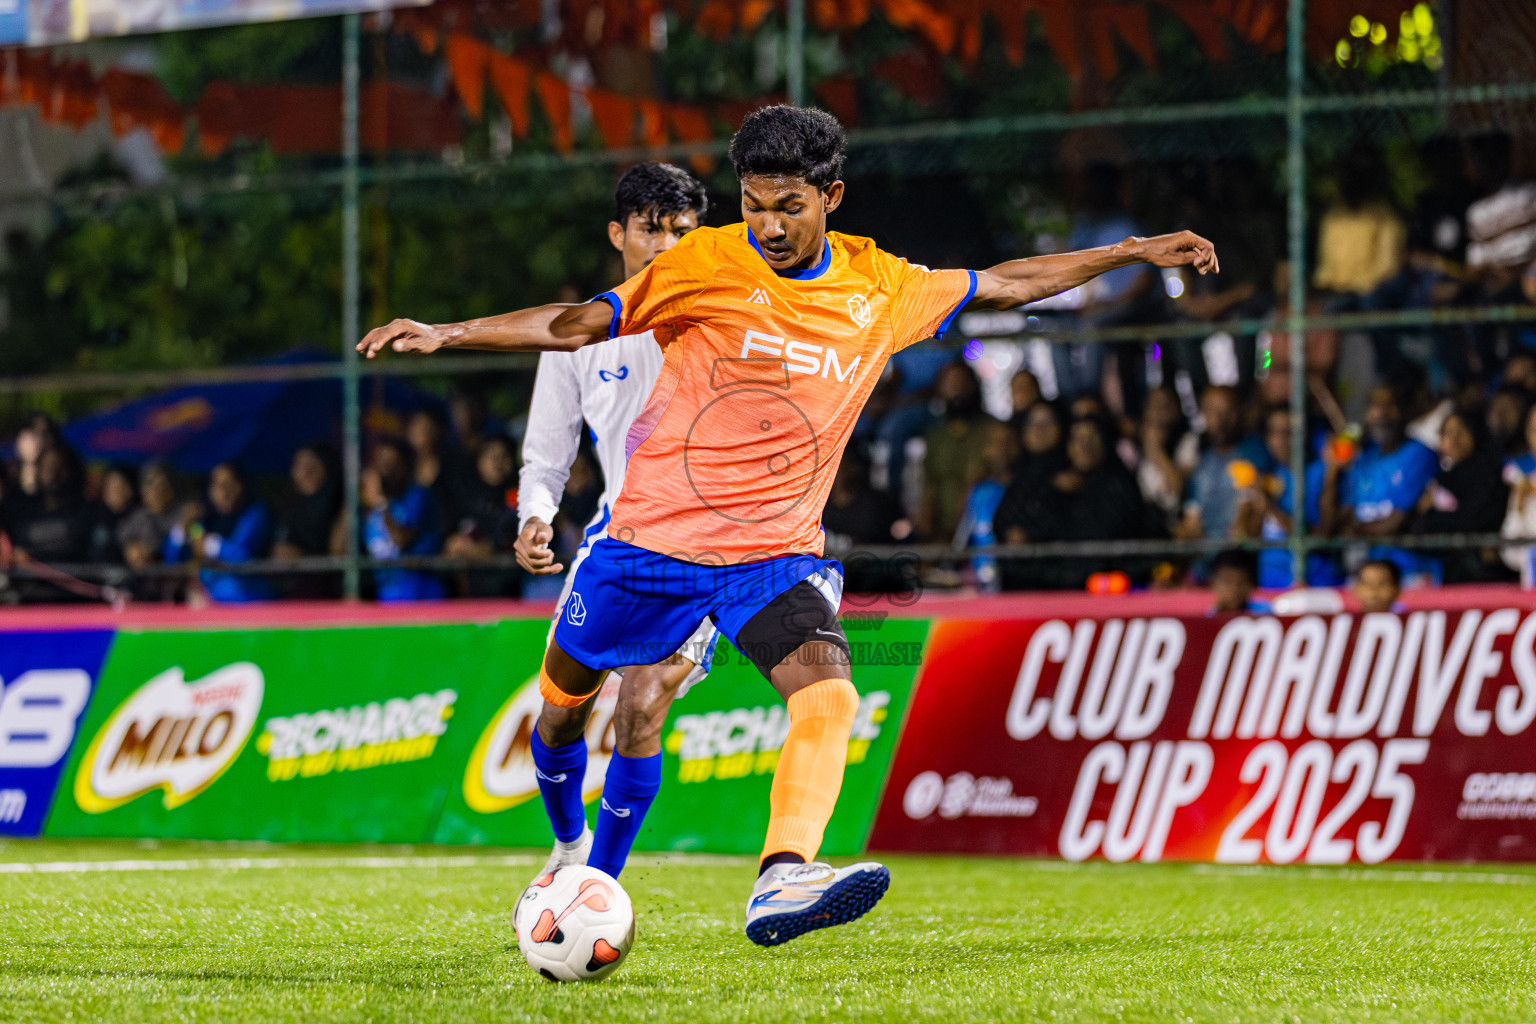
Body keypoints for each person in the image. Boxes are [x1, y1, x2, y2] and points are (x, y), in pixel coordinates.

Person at [358, 103, 1218, 946]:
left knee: (827, 694)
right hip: (648, 547)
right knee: (558, 712)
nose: (767, 224)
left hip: (771, 554)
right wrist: (449, 333)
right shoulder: (705, 263)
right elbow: (578, 323)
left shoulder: (880, 285)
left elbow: (1006, 282)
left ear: (831, 198)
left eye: (788, 206)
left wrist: (1131, 250)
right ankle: (569, 847)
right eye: (753, 204)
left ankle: (782, 875)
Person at [512, 162, 719, 882]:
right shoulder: (580, 335)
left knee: (642, 702)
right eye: (650, 229)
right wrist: (536, 515)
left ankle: (596, 882)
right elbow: (546, 450)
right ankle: (568, 845)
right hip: (615, 545)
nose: (666, 245)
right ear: (617, 234)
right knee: (561, 712)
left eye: (682, 232)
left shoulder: (726, 319)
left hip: (708, 554)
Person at [1317, 382, 1438, 579]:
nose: (1381, 413)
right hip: (1363, 575)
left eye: (1389, 405)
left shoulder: (1419, 454)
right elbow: (1331, 526)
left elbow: (1394, 523)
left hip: (1409, 573)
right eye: (1374, 406)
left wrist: (1352, 531)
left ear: (1403, 410)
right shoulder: (1364, 459)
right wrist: (1331, 471)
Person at [1413, 409, 1509, 583]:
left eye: (1460, 432)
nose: (1454, 440)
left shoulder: (1487, 473)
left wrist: (1432, 517)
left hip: (1485, 574)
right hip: (1448, 573)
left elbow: (1476, 520)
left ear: (1475, 434)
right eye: (1447, 433)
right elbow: (1418, 524)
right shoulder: (1441, 478)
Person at [165, 462, 274, 603]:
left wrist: (210, 544)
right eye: (216, 485)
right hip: (208, 600)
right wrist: (181, 528)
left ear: (240, 486)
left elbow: (243, 558)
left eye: (228, 484)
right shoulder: (203, 519)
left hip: (250, 598)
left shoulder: (255, 513)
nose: (223, 492)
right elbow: (171, 562)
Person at [916, 360, 996, 542]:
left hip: (978, 524)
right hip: (940, 528)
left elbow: (981, 478)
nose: (956, 389)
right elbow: (929, 483)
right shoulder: (936, 436)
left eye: (961, 382)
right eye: (949, 383)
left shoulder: (992, 430)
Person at [361, 437, 444, 601]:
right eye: (382, 463)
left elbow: (401, 540)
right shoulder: (368, 505)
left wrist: (380, 502)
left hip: (420, 594)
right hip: (385, 596)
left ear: (405, 467)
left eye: (392, 464)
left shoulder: (417, 496)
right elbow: (338, 549)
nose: (386, 471)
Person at [445, 433, 521, 597]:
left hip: (511, 591)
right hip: (468, 595)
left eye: (503, 456)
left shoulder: (522, 498)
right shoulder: (466, 497)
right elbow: (450, 544)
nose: (497, 462)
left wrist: (479, 550)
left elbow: (510, 546)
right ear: (479, 460)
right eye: (491, 455)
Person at [272, 442, 343, 598]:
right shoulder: (288, 504)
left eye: (312, 465)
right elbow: (280, 555)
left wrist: (303, 555)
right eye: (299, 465)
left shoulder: (341, 503)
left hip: (330, 592)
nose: (305, 472)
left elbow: (339, 553)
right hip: (290, 591)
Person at [1208, 548, 1270, 615]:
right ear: (1213, 582)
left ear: (1252, 583)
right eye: (1228, 581)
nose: (1235, 589)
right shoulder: (1208, 617)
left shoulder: (1264, 614)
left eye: (1242, 582)